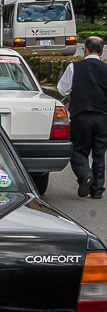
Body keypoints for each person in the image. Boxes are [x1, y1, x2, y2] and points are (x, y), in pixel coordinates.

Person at [57, 36, 107, 199]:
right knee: (99, 154)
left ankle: (85, 174)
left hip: (80, 116)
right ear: (102, 51)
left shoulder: (74, 67)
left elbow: (62, 89)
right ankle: (97, 190)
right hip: (102, 118)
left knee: (78, 150)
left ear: (84, 49)